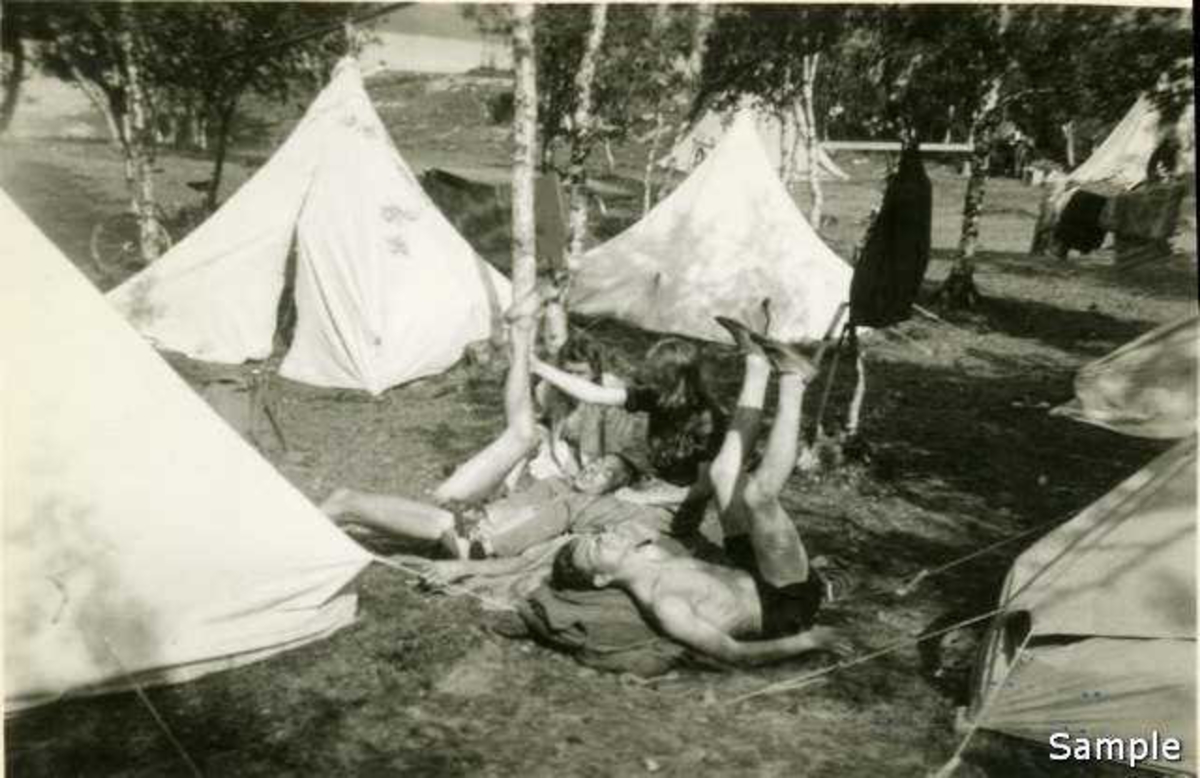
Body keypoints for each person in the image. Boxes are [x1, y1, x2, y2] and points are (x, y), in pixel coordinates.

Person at [549, 319, 848, 666]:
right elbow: (734, 654)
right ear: (602, 578)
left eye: (597, 537)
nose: (605, 538)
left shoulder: (647, 557)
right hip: (786, 601)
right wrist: (809, 640)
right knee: (757, 497)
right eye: (598, 547)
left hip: (747, 567)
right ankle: (794, 381)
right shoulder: (665, 605)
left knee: (723, 473)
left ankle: (755, 363)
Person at [531, 334, 728, 493]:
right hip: (651, 483)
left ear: (674, 380)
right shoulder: (656, 396)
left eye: (656, 377)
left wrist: (645, 499)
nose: (647, 380)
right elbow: (594, 395)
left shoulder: (709, 419)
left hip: (678, 498)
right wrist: (538, 367)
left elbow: (703, 488)